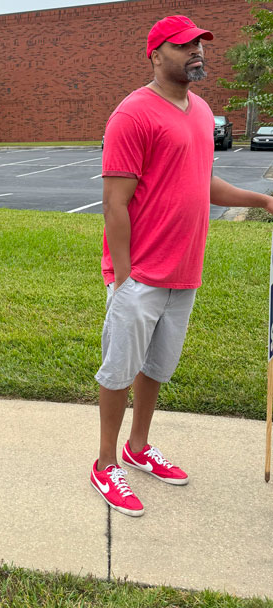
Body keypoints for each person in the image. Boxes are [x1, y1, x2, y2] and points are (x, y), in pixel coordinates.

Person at [90, 16, 273, 517]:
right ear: (155, 54)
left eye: (199, 44)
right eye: (184, 45)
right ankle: (106, 463)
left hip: (184, 269)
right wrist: (123, 278)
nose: (197, 51)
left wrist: (262, 200)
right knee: (120, 370)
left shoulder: (202, 110)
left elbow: (202, 182)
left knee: (156, 368)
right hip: (140, 275)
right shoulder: (132, 114)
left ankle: (138, 447)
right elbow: (114, 203)